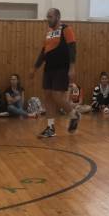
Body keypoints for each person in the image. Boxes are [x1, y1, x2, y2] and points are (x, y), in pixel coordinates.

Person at [30, 8, 80, 138]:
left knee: (57, 96)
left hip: (62, 68)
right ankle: (50, 128)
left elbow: (72, 49)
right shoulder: (49, 32)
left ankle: (74, 114)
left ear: (57, 17)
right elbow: (43, 52)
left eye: (50, 17)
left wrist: (72, 68)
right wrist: (35, 68)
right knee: (48, 96)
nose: (48, 19)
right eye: (47, 17)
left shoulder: (66, 29)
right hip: (49, 69)